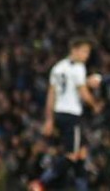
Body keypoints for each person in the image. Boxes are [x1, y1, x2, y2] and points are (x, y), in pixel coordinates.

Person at [31, 37, 103, 191]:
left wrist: (49, 119)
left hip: (59, 114)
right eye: (84, 51)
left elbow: (51, 95)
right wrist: (95, 104)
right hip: (72, 116)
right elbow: (83, 92)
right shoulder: (78, 67)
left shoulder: (58, 68)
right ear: (74, 50)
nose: (86, 55)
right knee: (73, 155)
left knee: (82, 154)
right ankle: (41, 182)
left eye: (88, 52)